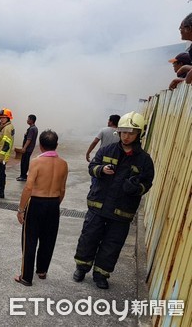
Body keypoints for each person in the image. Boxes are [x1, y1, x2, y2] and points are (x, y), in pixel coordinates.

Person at [73, 111, 154, 289]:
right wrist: (100, 170)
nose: (126, 136)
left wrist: (136, 189)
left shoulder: (144, 160)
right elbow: (92, 167)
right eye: (123, 132)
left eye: (131, 133)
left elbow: (147, 183)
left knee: (112, 244)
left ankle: (101, 274)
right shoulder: (106, 150)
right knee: (89, 238)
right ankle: (81, 267)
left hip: (121, 211)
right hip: (98, 206)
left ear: (139, 134)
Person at [14, 130, 68, 286]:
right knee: (48, 239)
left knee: (30, 240)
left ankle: (26, 277)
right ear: (56, 145)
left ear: (40, 145)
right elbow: (63, 190)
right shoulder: (63, 164)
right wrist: (55, 205)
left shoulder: (36, 162)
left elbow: (28, 187)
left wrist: (21, 209)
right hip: (53, 204)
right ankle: (42, 271)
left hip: (37, 203)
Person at [15, 114, 38, 181]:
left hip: (28, 149)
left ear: (31, 120)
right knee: (25, 161)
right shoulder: (34, 128)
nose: (27, 120)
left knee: (24, 162)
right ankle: (24, 175)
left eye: (28, 119)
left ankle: (23, 176)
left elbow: (29, 139)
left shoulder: (32, 129)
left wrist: (24, 148)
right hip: (30, 148)